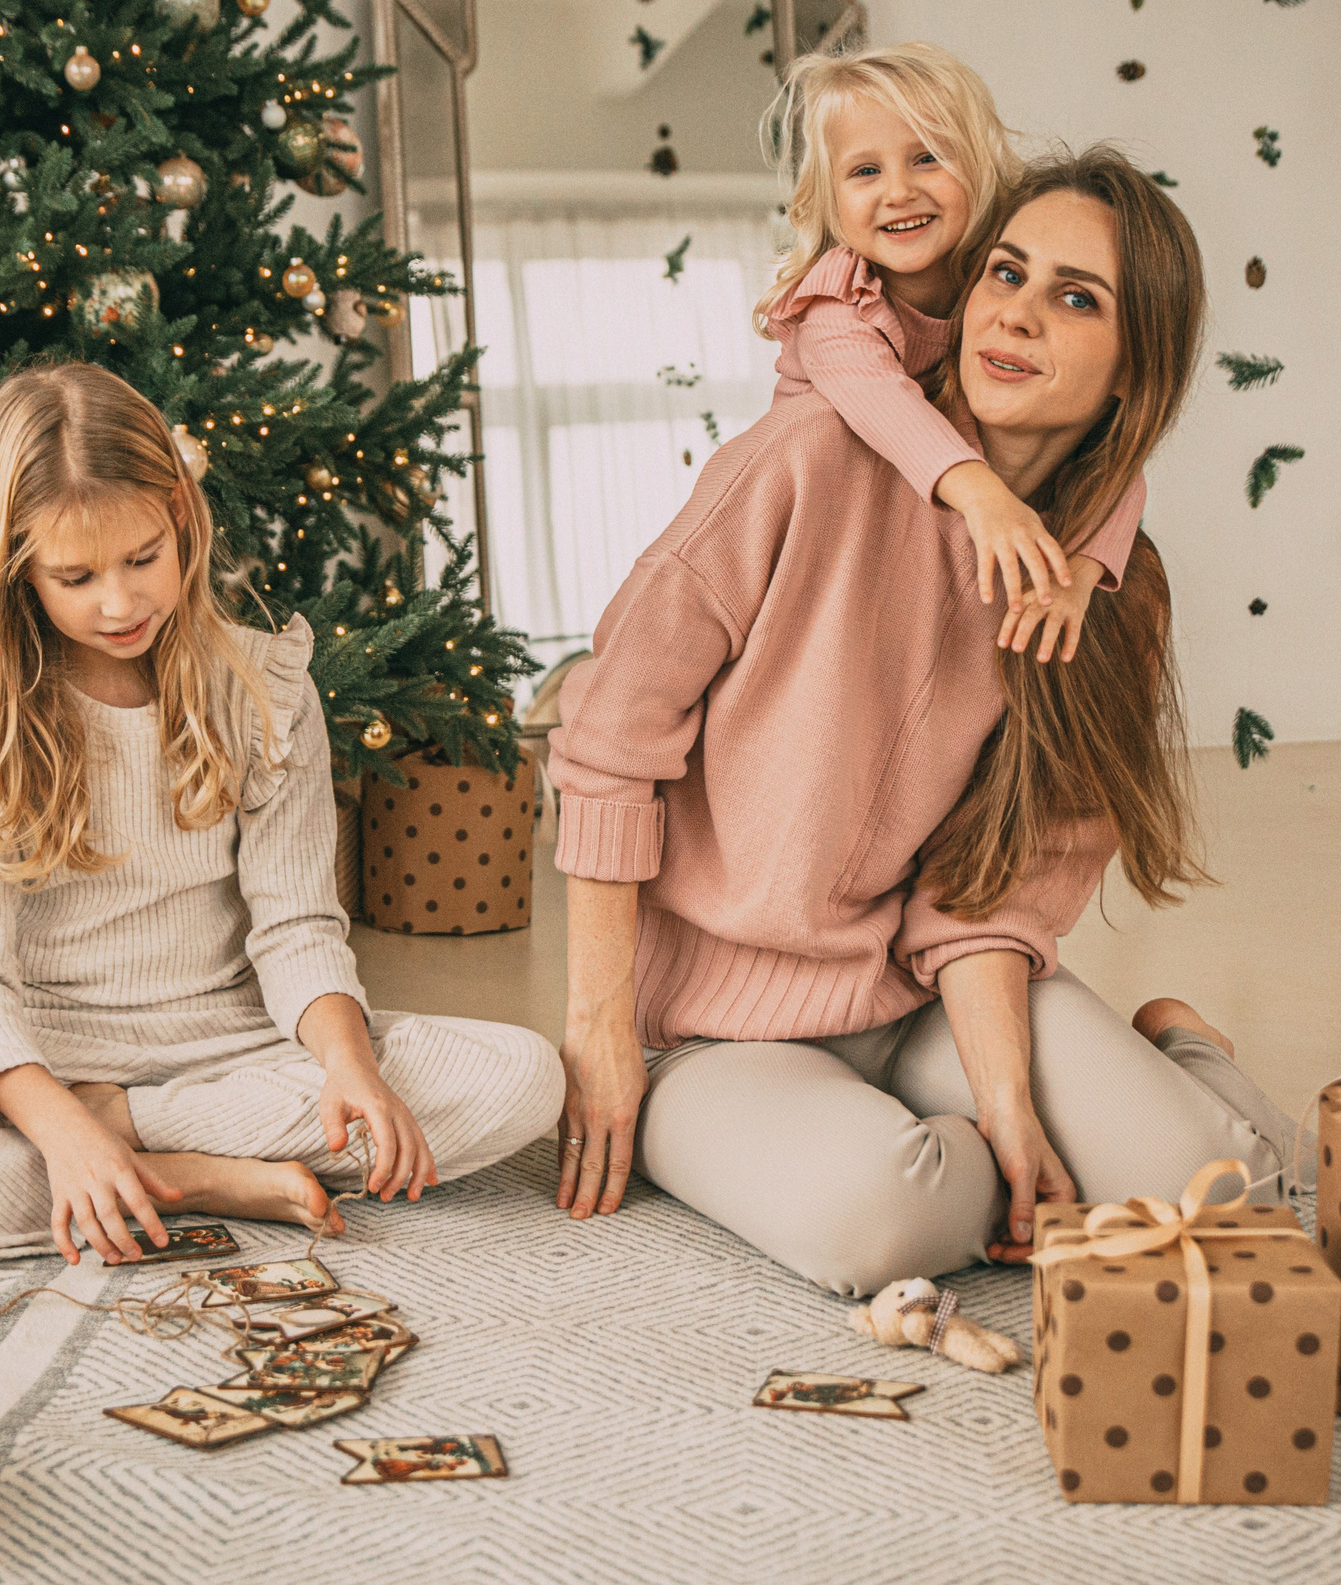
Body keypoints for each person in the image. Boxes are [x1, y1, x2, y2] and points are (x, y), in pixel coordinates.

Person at [548, 150, 1287, 1298]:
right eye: (1005, 272)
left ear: (1131, 378)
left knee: (1212, 1199)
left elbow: (996, 884)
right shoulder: (804, 462)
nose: (1015, 315)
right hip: (713, 1034)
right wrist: (598, 1030)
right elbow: (605, 744)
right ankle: (1038, 1118)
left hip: (929, 999)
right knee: (879, 1222)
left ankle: (1174, 1061)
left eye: (1076, 298)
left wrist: (1002, 1103)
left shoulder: (1112, 595)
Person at [0, 361, 561, 1270]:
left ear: (181, 519)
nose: (120, 602)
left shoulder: (265, 689)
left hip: (239, 1052)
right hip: (42, 1064)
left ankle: (126, 1148)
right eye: (76, 575)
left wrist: (347, 1066)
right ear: (17, 570)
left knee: (522, 1080)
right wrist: (59, 1124)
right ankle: (190, 1177)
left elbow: (298, 926)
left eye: (142, 559)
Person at [757, 42, 1147, 666]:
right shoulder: (835, 305)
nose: (899, 191)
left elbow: (1116, 451)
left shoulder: (990, 292)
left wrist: (1086, 566)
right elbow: (881, 401)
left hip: (916, 541)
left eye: (927, 158)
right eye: (865, 172)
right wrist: (984, 496)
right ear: (829, 201)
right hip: (819, 540)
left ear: (978, 169)